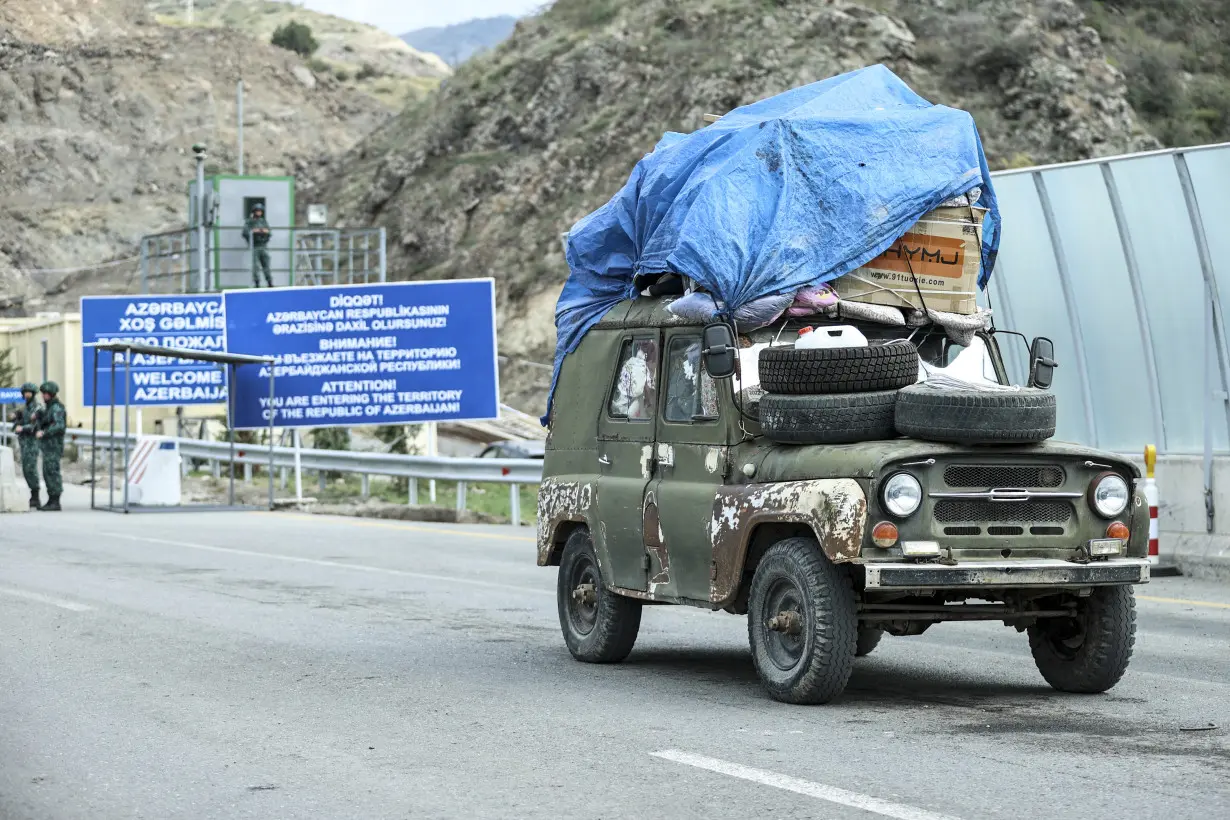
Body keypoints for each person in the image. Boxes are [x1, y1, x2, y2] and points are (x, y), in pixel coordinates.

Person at [9, 381, 42, 508]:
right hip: (24, 443)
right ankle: (33, 495)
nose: (27, 395)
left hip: (32, 443)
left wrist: (22, 428)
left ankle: (36, 496)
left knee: (31, 469)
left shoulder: (37, 408)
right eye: (25, 393)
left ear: (33, 394)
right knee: (26, 469)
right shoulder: (26, 408)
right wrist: (15, 418)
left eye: (29, 393)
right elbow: (20, 419)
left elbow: (36, 425)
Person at [34, 381, 66, 512]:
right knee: (47, 472)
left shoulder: (57, 408)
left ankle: (55, 501)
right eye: (43, 394)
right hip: (47, 446)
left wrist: (45, 432)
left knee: (52, 472)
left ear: (51, 394)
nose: (43, 396)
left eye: (45, 394)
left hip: (54, 446)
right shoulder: (48, 408)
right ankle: (51, 499)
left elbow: (59, 425)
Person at [242, 204, 273, 288]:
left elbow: (269, 232)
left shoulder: (263, 222)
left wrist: (264, 231)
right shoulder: (249, 222)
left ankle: (269, 282)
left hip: (263, 246)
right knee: (255, 266)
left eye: (260, 211)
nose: (259, 212)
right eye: (257, 211)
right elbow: (245, 232)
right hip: (255, 246)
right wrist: (253, 231)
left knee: (266, 265)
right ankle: (257, 283)